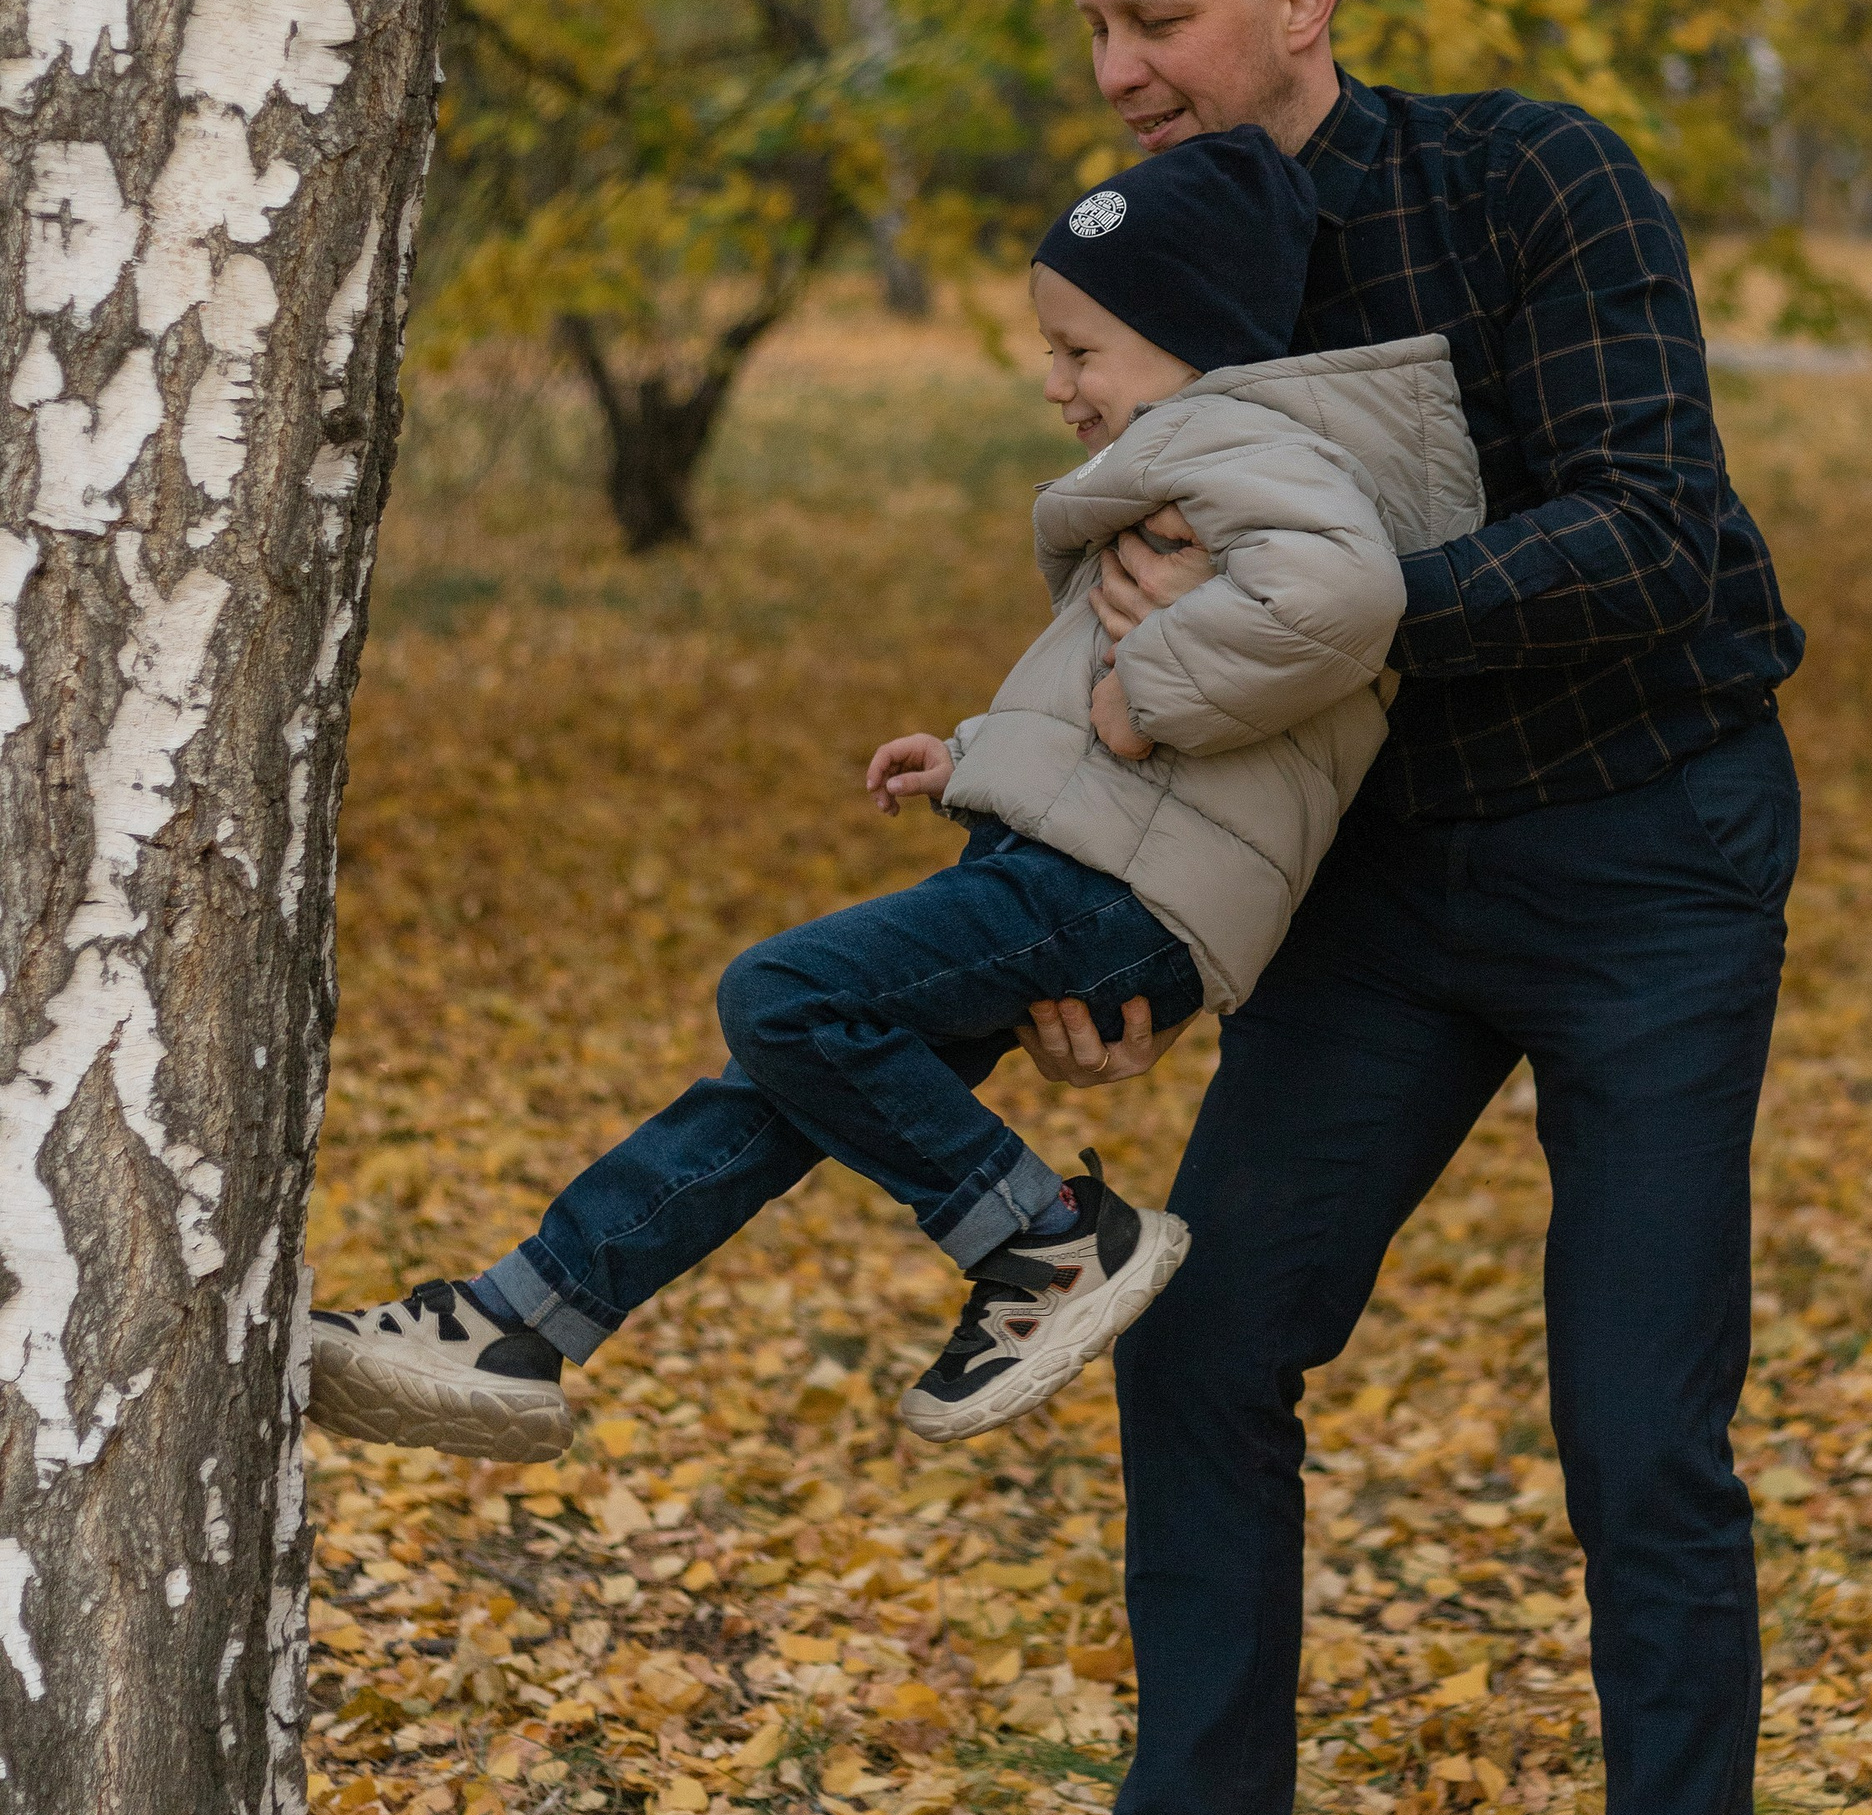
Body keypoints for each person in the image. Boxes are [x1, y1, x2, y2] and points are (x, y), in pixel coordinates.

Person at [920, 0, 1805, 1815]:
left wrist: (1345, 605)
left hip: (1647, 856)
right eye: (1093, 25)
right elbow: (1139, 665)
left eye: (1155, 14)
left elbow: (1654, 528)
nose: (1114, 65)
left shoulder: (1533, 179)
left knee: (1637, 1430)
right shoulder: (1153, 276)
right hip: (1375, 895)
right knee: (1197, 1337)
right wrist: (1118, 939)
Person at [304, 125, 1481, 1461]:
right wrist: (976, 756)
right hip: (1082, 867)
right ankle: (525, 1319)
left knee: (784, 994)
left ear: (1198, 336)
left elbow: (1344, 599)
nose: (1057, 382)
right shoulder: (1220, 450)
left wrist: (1148, 692)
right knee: (777, 1082)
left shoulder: (1246, 444)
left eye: (1083, 349)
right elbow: (1128, 671)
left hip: (1114, 891)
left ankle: (1046, 1243)